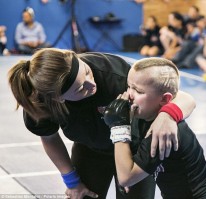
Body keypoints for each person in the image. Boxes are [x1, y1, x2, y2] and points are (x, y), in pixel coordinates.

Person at [7, 48, 196, 199]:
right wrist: (71, 181)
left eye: (87, 72)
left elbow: (186, 99)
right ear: (58, 98)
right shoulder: (40, 104)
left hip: (134, 150)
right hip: (90, 151)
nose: (92, 84)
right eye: (81, 89)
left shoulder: (112, 73)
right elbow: (49, 138)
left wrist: (168, 116)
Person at [103, 57, 206, 199]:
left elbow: (125, 178)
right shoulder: (142, 116)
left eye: (139, 91)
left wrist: (118, 127)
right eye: (129, 86)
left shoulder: (162, 133)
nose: (129, 94)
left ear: (165, 99)